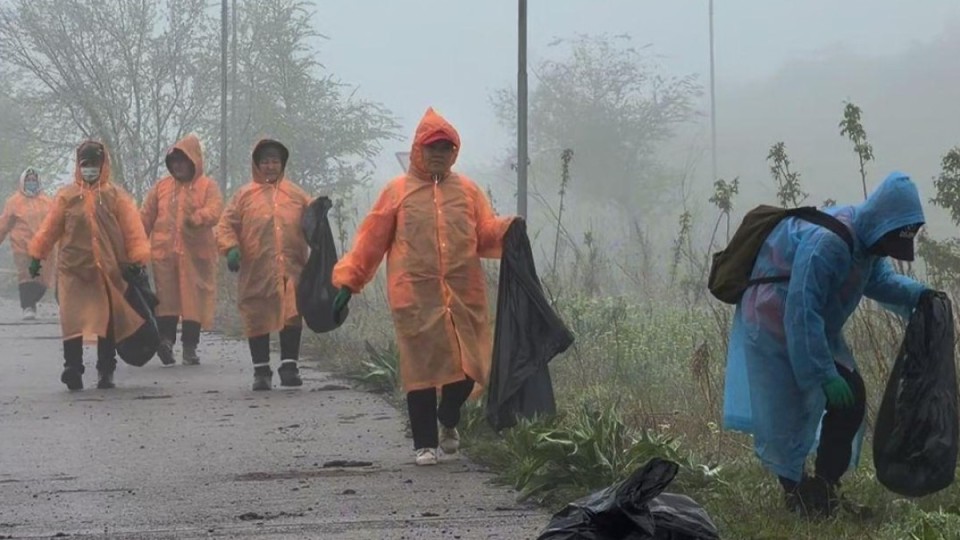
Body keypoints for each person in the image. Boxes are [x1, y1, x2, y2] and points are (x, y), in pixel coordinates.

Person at [722, 171, 934, 517]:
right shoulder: (830, 244)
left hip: (810, 326)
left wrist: (920, 295)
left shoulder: (865, 242)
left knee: (850, 398)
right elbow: (801, 310)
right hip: (774, 321)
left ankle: (824, 487)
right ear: (883, 222)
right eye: (890, 241)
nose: (888, 250)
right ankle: (797, 496)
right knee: (787, 411)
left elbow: (877, 280)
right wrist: (822, 372)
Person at [331, 108, 520, 466]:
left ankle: (449, 417)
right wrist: (348, 283)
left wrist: (509, 229)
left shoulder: (467, 191)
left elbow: (484, 233)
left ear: (454, 152)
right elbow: (370, 242)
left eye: (445, 148)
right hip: (414, 296)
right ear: (418, 149)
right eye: (432, 147)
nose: (438, 154)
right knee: (420, 369)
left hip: (465, 294)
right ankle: (425, 443)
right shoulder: (396, 192)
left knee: (472, 364)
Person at [28, 141, 150, 391]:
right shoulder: (67, 196)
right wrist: (36, 255)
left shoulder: (116, 196)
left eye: (94, 164)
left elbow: (133, 231)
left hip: (107, 271)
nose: (90, 169)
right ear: (78, 165)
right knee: (71, 320)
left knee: (106, 321)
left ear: (103, 164)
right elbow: (50, 229)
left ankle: (106, 370)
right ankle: (72, 367)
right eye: (85, 164)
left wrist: (138, 258)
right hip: (73, 270)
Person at [216, 139, 311, 391]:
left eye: (275, 161)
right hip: (256, 268)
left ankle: (289, 367)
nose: (270, 166)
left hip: (292, 267)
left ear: (282, 164)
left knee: (291, 312)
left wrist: (321, 212)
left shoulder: (296, 194)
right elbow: (226, 225)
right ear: (257, 165)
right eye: (265, 161)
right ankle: (261, 370)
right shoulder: (244, 195)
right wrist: (231, 248)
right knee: (257, 314)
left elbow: (313, 221)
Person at [141, 133, 223, 366]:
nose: (178, 166)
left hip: (197, 257)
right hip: (164, 255)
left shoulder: (207, 186)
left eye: (182, 160)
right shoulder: (161, 188)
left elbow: (216, 211)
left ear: (193, 161)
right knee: (166, 300)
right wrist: (134, 245)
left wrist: (197, 218)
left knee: (192, 302)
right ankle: (166, 342)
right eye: (173, 161)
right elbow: (145, 218)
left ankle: (190, 346)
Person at [0, 167, 56, 319]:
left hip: (44, 248)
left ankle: (32, 300)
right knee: (27, 275)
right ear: (22, 182)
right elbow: (3, 224)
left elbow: (56, 223)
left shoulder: (48, 201)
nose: (31, 183)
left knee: (42, 278)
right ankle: (28, 306)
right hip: (22, 246)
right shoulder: (14, 202)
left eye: (34, 180)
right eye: (28, 180)